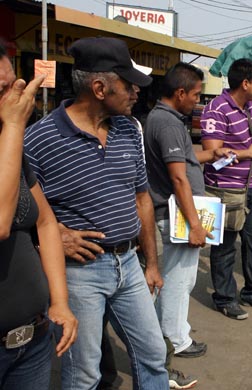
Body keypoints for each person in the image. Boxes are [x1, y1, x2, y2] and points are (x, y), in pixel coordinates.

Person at [24, 37, 168, 389]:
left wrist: (151, 263)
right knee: (84, 373)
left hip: (129, 264)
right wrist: (52, 234)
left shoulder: (128, 130)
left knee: (153, 354)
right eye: (129, 85)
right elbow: (19, 209)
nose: (137, 92)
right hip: (78, 274)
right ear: (100, 88)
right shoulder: (38, 140)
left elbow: (142, 199)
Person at [0, 41, 78, 389]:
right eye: (4, 88)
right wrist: (15, 126)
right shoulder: (11, 137)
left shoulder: (8, 145)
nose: (17, 93)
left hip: (32, 340)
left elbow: (45, 221)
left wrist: (59, 302)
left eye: (14, 82)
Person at [144, 63, 234, 363]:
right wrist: (195, 224)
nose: (198, 100)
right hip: (177, 213)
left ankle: (167, 334)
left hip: (177, 211)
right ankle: (175, 339)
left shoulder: (164, 119)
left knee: (178, 278)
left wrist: (211, 154)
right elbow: (179, 177)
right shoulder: (168, 123)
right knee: (179, 281)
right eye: (196, 94)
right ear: (179, 92)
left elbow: (183, 158)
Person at [201, 58, 252, 320]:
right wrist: (249, 153)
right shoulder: (216, 109)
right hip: (226, 190)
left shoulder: (249, 106)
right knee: (225, 247)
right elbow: (212, 153)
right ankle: (224, 298)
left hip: (251, 187)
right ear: (245, 82)